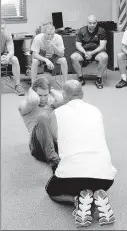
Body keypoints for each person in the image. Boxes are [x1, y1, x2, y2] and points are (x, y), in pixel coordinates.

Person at [45, 80, 117, 227]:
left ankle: (77, 199)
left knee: (50, 190)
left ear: (64, 95)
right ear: (82, 94)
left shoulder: (56, 114)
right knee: (92, 179)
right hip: (105, 179)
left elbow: (53, 139)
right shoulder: (96, 110)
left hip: (71, 178)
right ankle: (96, 196)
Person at [18, 77, 63, 169]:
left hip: (54, 143)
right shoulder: (26, 105)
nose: (43, 99)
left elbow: (63, 100)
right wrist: (31, 88)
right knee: (43, 117)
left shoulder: (51, 103)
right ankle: (53, 160)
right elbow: (34, 100)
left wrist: (50, 89)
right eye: (40, 95)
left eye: (45, 95)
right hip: (37, 145)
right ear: (34, 93)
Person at [71, 15, 108, 89]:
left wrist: (92, 53)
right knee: (73, 57)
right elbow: (78, 45)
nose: (92, 25)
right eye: (90, 23)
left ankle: (99, 78)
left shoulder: (101, 31)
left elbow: (102, 46)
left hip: (96, 51)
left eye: (94, 23)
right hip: (84, 51)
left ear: (96, 22)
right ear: (87, 23)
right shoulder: (81, 30)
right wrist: (85, 53)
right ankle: (80, 78)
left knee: (104, 57)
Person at [1, 20, 25, 95]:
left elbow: (11, 50)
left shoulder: (7, 34)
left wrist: (7, 57)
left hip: (4, 55)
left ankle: (17, 85)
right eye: (1, 28)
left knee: (14, 59)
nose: (3, 30)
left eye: (4, 28)